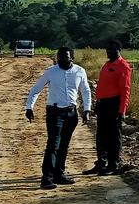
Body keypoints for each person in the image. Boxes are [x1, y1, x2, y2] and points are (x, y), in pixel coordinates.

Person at [25, 47, 91, 190]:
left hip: (71, 114)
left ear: (71, 57)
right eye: (59, 57)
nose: (61, 59)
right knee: (53, 144)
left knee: (64, 145)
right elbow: (36, 89)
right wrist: (29, 107)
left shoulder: (80, 71)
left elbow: (85, 91)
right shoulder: (51, 71)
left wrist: (87, 109)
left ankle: (59, 174)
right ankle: (46, 178)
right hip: (55, 113)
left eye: (65, 57)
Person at [85, 40, 132, 176]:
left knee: (113, 137)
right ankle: (101, 163)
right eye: (107, 49)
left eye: (111, 50)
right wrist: (97, 103)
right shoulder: (107, 64)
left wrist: (122, 110)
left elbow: (125, 90)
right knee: (101, 135)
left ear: (118, 50)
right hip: (103, 104)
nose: (108, 52)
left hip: (114, 104)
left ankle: (113, 164)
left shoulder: (123, 66)